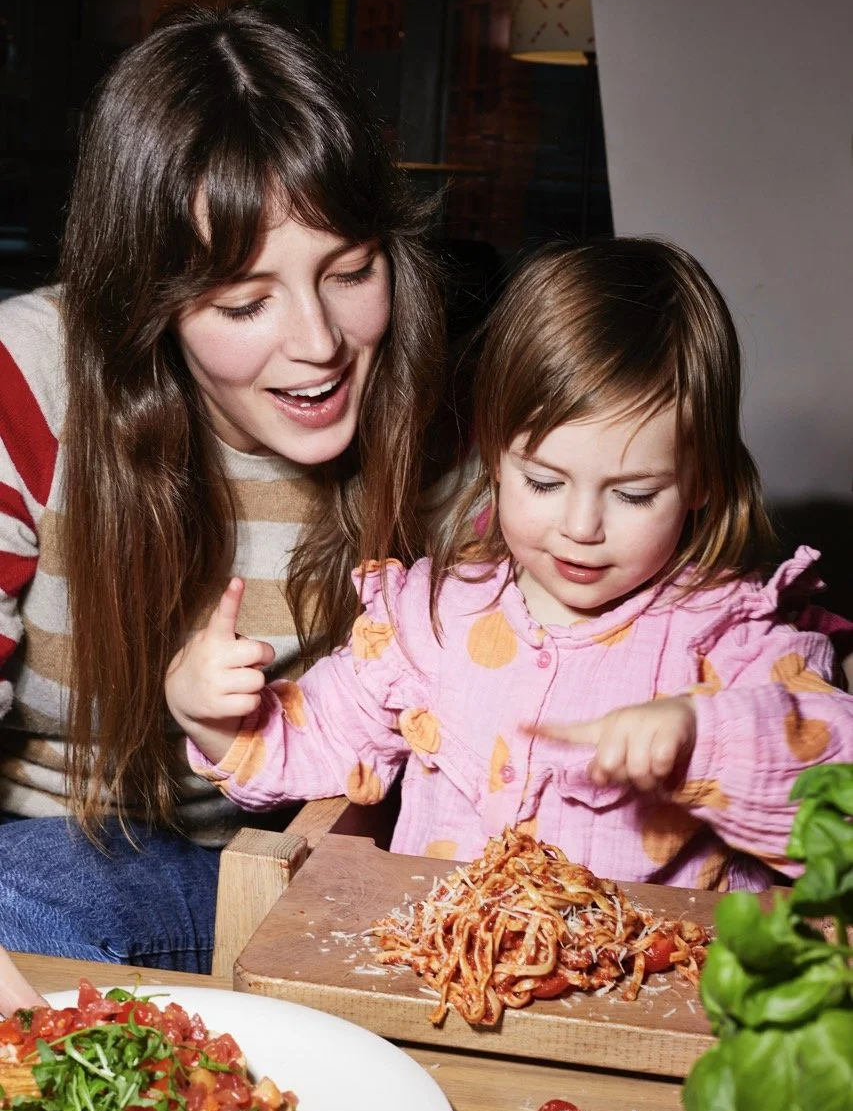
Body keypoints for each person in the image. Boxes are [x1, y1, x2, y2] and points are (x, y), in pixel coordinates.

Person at [167, 237, 853, 894]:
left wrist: (703, 738)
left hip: (651, 1001)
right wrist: (216, 718)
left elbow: (833, 799)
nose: (581, 528)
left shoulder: (732, 636)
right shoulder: (429, 620)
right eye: (544, 483)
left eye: (634, 493)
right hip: (442, 986)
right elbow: (314, 741)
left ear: (700, 480)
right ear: (495, 457)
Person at [0, 3, 445, 973]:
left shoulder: (437, 419)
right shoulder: (25, 377)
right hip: (49, 868)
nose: (320, 343)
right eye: (246, 300)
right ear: (146, 300)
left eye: (350, 270)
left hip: (295, 869)